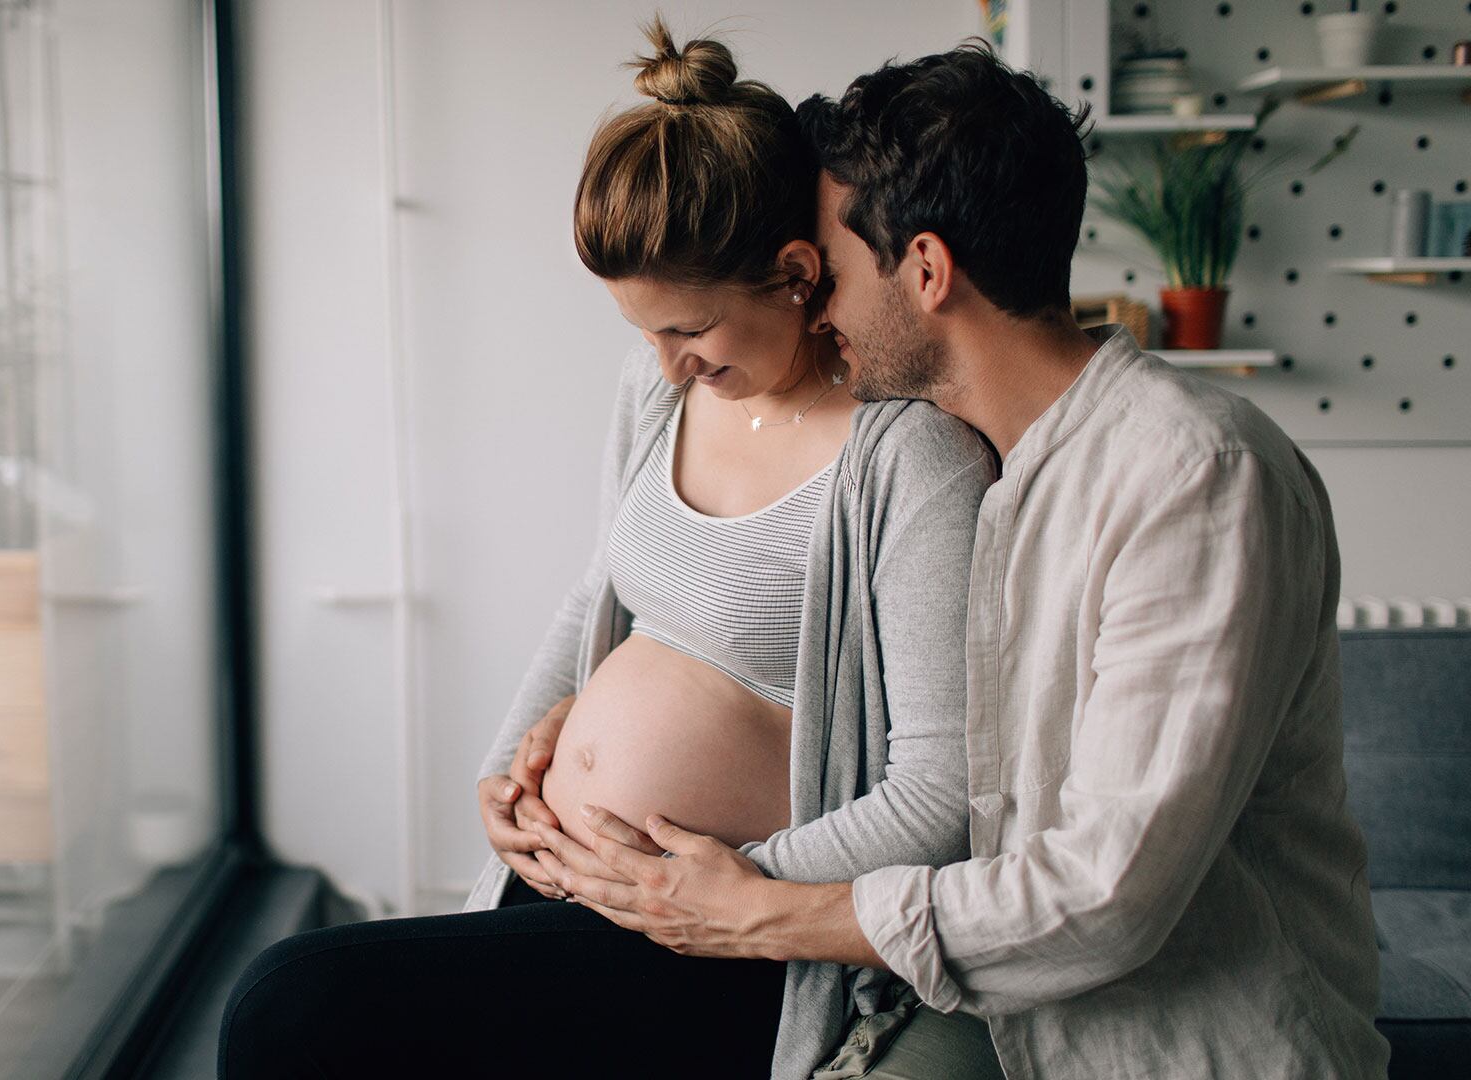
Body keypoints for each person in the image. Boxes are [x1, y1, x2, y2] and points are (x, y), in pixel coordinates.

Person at [540, 43, 1391, 1080]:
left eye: (834, 270)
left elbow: (1103, 895)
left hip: (1177, 1049)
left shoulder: (1192, 476)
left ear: (928, 272)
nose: (815, 303)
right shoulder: (996, 467)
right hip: (989, 1009)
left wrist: (758, 906)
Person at [219, 21, 995, 1080]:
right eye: (644, 334)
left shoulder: (909, 457)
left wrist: (728, 888)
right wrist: (502, 776)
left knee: (290, 1006)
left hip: (716, 945)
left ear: (798, 273)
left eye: (689, 330)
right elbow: (601, 587)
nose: (668, 365)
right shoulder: (656, 393)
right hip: (586, 890)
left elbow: (939, 793)